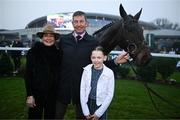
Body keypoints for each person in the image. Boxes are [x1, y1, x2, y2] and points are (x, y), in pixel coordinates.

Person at [55, 11, 129, 119]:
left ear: (86, 23)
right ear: (72, 23)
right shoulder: (63, 40)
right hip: (62, 87)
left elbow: (98, 62)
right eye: (76, 22)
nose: (79, 24)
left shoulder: (93, 42)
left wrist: (115, 61)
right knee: (56, 116)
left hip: (83, 89)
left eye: (81, 21)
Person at [24, 24, 62, 119]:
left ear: (55, 38)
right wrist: (29, 95)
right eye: (46, 35)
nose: (48, 38)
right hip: (36, 95)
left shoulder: (59, 54)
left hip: (52, 96)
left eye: (51, 36)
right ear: (42, 37)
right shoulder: (33, 52)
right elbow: (28, 75)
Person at [80, 46, 114, 120]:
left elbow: (110, 95)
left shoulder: (109, 73)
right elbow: (82, 90)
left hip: (101, 105)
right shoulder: (86, 70)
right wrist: (85, 111)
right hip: (87, 103)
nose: (96, 60)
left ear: (104, 58)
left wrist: (98, 113)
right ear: (90, 58)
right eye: (93, 57)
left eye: (99, 57)